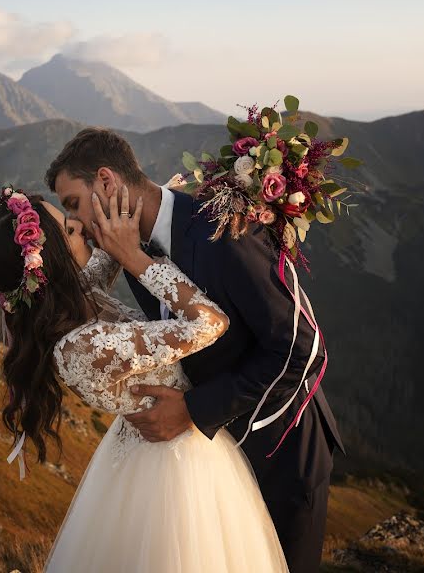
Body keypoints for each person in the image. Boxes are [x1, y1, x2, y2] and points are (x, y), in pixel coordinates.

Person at [46, 127, 346, 573]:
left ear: (107, 182)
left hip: (280, 447)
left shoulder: (225, 232)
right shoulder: (129, 241)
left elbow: (304, 350)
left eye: (73, 204)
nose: (78, 225)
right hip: (218, 460)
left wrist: (193, 410)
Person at [0, 185, 288, 572]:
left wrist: (156, 197)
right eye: (69, 230)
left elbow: (108, 254)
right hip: (170, 469)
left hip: (165, 445)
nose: (78, 225)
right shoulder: (82, 349)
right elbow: (210, 323)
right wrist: (137, 257)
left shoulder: (72, 296)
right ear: (51, 261)